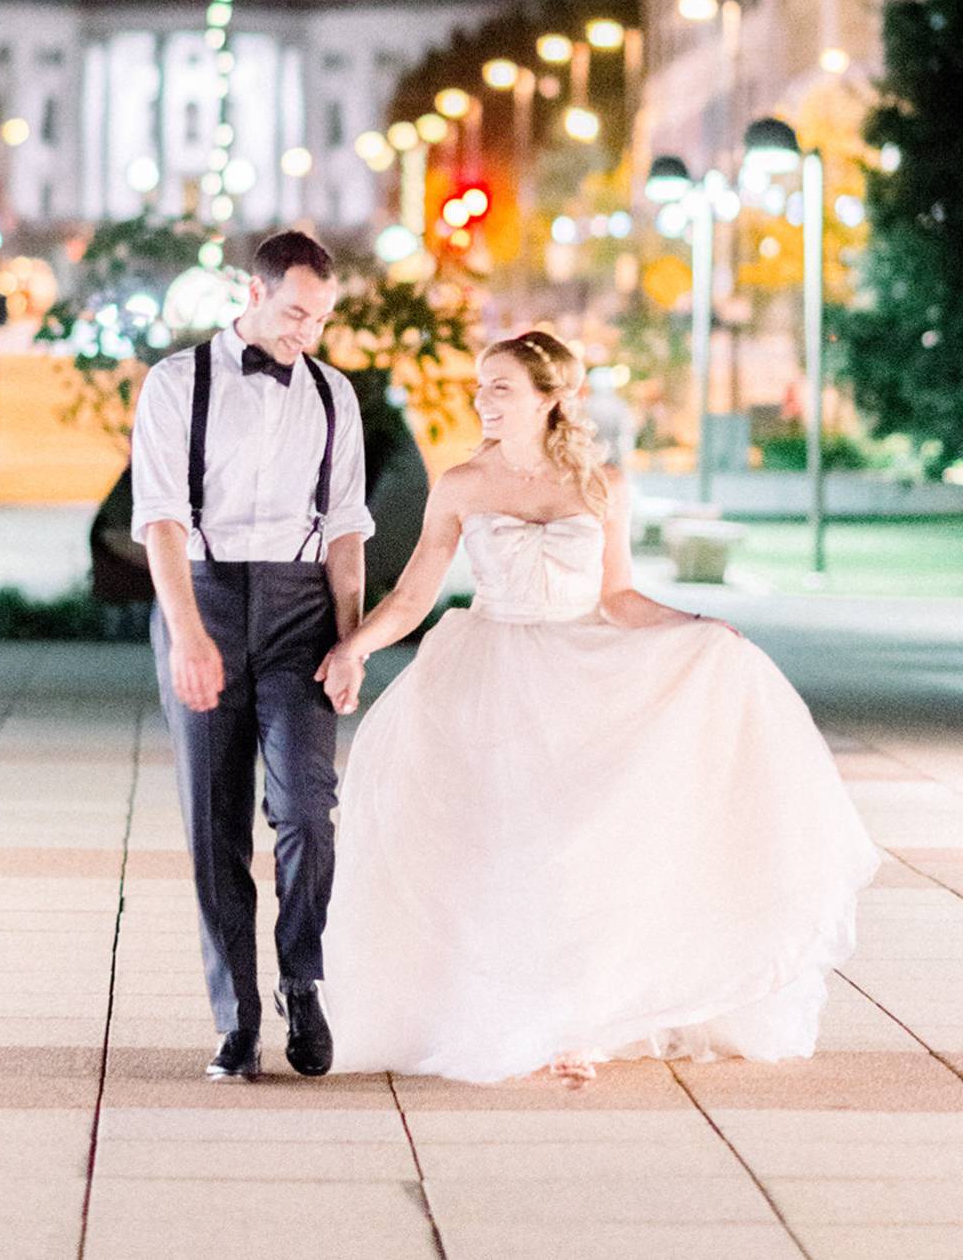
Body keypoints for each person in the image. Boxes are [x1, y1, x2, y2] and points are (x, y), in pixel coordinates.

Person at [316, 328, 880, 1085]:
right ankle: (504, 1007)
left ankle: (578, 1019)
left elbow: (617, 596)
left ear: (551, 397)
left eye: (501, 387)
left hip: (581, 672)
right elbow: (415, 595)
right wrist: (355, 646)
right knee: (500, 843)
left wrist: (697, 628)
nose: (484, 400)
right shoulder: (462, 484)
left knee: (578, 847)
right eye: (482, 386)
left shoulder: (602, 484)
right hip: (488, 672)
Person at [131, 229, 371, 1083]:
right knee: (214, 821)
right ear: (254, 291)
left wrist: (351, 639)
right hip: (206, 595)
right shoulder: (176, 383)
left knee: (307, 808)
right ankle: (236, 1019)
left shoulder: (334, 395)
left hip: (301, 610)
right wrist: (188, 633)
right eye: (297, 312)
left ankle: (301, 980)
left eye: (322, 319)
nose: (308, 332)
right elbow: (161, 518)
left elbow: (346, 528)